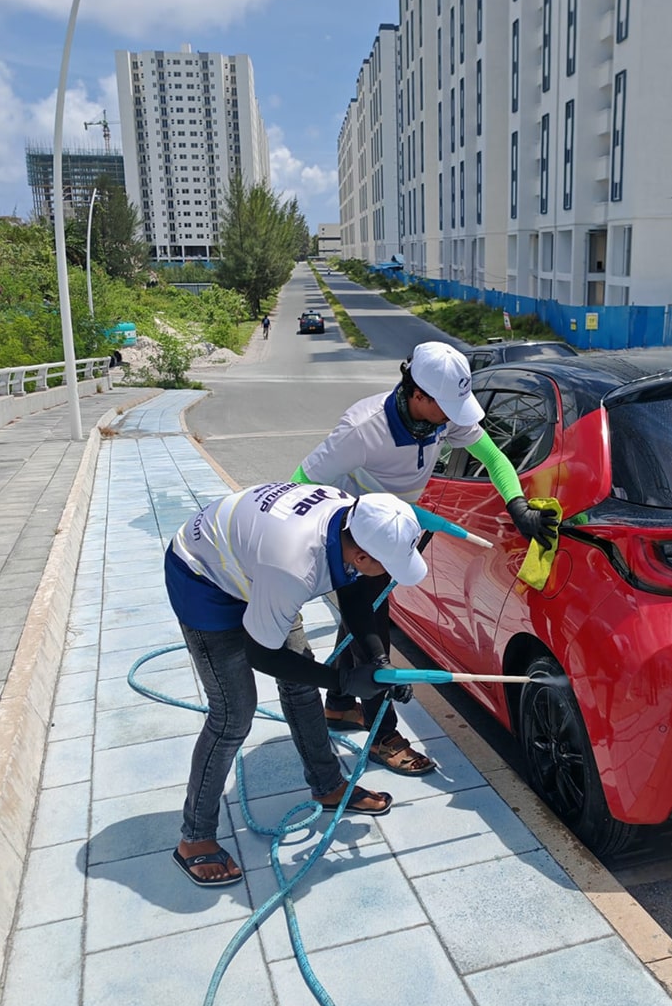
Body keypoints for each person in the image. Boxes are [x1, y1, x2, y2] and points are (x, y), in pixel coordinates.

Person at [290, 340, 560, 775]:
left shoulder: (441, 420)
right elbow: (301, 483)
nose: (456, 415)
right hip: (357, 539)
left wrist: (517, 505)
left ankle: (340, 705)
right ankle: (383, 735)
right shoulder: (363, 429)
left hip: (400, 528)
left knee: (363, 617)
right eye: (448, 405)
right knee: (373, 635)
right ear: (418, 394)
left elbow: (490, 455)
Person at [165, 483, 427, 886]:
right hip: (203, 576)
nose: (391, 574)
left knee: (302, 684)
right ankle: (195, 838)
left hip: (256, 567)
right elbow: (262, 655)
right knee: (234, 714)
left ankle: (327, 785)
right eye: (389, 565)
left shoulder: (351, 518)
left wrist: (377, 661)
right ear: (361, 554)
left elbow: (355, 594)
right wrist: (342, 678)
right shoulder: (293, 567)